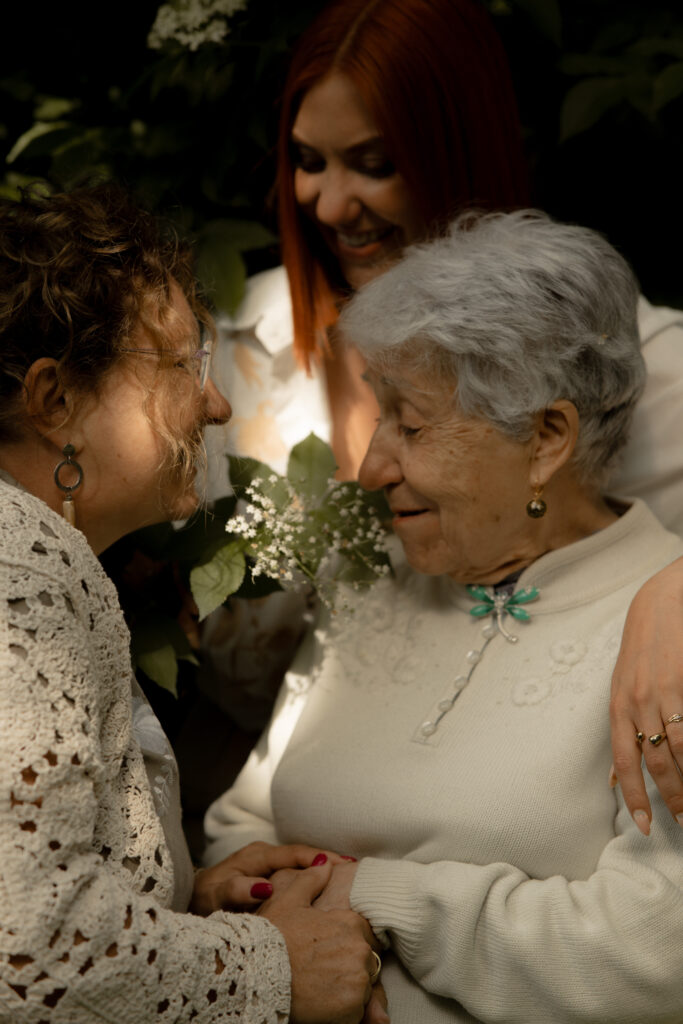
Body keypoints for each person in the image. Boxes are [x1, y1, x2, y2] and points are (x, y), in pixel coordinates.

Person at [200, 0, 683, 825]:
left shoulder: (623, 354)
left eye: (373, 162)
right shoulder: (240, 346)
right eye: (307, 160)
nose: (325, 203)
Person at [203, 210, 683, 1023]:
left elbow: (653, 953)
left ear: (545, 439)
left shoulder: (662, 635)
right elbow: (243, 819)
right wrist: (248, 898)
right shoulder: (375, 580)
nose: (368, 467)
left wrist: (379, 898)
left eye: (412, 425)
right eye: (378, 414)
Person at [0, 183, 381, 1024]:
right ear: (54, 402)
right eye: (183, 366)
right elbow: (30, 950)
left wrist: (177, 898)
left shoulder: (43, 559)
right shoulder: (15, 580)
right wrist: (269, 969)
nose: (217, 406)